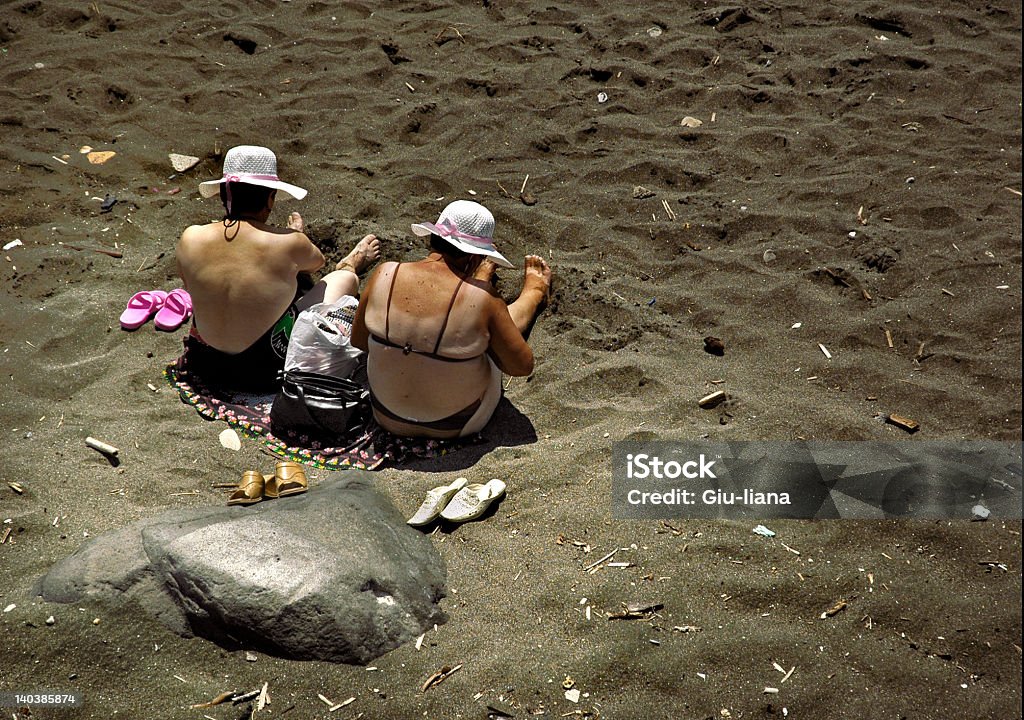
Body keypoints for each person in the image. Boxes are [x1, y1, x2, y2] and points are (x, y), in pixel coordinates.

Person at [175, 145, 380, 391]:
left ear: (222, 195)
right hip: (263, 369)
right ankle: (351, 262)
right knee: (343, 279)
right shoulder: (290, 242)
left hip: (206, 362)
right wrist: (292, 237)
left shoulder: (190, 237)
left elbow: (191, 286)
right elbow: (315, 264)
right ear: (270, 199)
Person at [351, 200, 551, 439]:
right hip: (456, 425)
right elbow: (520, 366)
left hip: (385, 415)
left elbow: (360, 341)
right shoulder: (486, 300)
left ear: (432, 238)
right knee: (485, 327)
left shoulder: (385, 273)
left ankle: (477, 286)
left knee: (473, 323)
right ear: (476, 256)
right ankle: (533, 293)